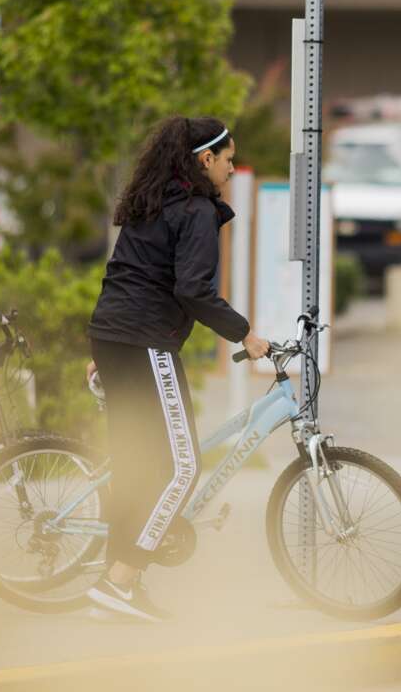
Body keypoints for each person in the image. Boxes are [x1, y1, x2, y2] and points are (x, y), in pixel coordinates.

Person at [82, 116, 270, 622]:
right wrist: (245, 335)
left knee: (138, 464)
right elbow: (193, 290)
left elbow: (122, 272)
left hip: (115, 336)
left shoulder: (153, 199)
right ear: (205, 160)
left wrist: (102, 347)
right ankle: (118, 582)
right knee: (181, 467)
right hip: (144, 342)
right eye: (227, 159)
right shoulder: (195, 211)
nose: (231, 170)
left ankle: (119, 582)